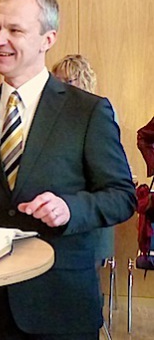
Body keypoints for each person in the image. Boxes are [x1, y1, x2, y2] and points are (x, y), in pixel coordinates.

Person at [0, 0, 136, 339]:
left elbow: (121, 195)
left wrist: (70, 209)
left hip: (62, 303)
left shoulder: (86, 111)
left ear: (47, 39)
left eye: (15, 30)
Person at [51, 54, 115, 266]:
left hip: (89, 215)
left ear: (84, 80)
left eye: (69, 81)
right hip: (59, 220)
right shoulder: (51, 116)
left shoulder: (98, 112)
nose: (63, 87)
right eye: (58, 81)